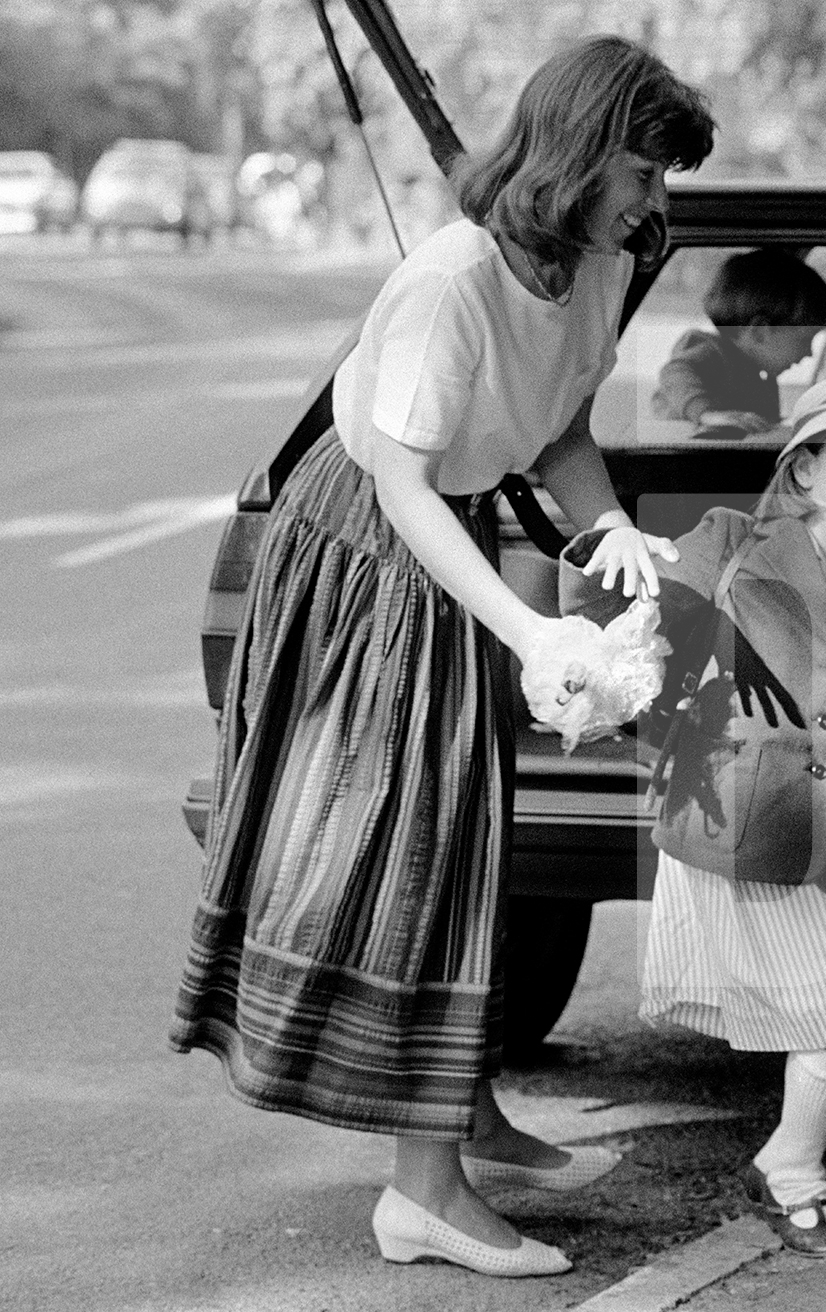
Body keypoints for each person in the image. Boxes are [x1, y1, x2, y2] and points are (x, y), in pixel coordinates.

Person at [168, 37, 715, 1279]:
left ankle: (462, 1114)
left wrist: (610, 521)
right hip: (366, 549)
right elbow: (406, 487)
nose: (656, 203)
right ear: (578, 154)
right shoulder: (450, 283)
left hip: (438, 536)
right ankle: (422, 1196)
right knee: (420, 841)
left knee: (475, 831)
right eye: (644, 171)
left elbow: (557, 420)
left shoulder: (594, 259)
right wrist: (526, 626)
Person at [601, 371, 826, 1260]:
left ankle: (789, 1162)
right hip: (742, 826)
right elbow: (623, 633)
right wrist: (664, 743)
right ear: (802, 470)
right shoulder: (730, 543)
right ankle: (795, 1179)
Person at [651, 248, 826, 431]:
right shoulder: (714, 353)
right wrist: (707, 414)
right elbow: (676, 371)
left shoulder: (758, 375)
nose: (809, 353)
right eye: (804, 340)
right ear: (760, 332)